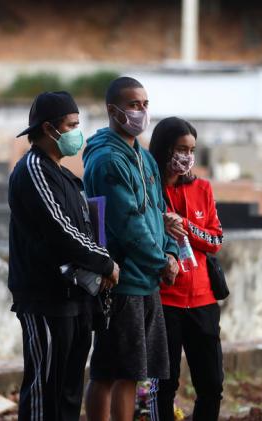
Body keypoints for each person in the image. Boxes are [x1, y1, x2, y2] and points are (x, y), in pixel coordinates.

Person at [9, 91, 120, 421]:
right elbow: (61, 232)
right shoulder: (33, 171)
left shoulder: (65, 176)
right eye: (71, 125)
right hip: (45, 298)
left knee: (69, 392)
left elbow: (83, 229)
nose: (77, 132)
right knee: (46, 389)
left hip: (75, 297)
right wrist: (106, 263)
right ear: (49, 129)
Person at [82, 77, 179, 421]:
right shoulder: (108, 160)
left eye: (145, 105)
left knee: (131, 371)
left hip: (145, 279)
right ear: (113, 110)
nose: (142, 112)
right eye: (134, 105)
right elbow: (127, 225)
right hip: (121, 280)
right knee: (111, 372)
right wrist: (159, 260)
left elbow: (158, 211)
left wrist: (171, 253)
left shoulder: (143, 156)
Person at [149, 117, 224, 421]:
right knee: (163, 386)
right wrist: (162, 224)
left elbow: (215, 239)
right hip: (165, 301)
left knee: (212, 384)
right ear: (165, 149)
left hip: (203, 301)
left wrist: (187, 227)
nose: (187, 156)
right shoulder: (148, 189)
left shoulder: (202, 188)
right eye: (181, 148)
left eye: (191, 149)